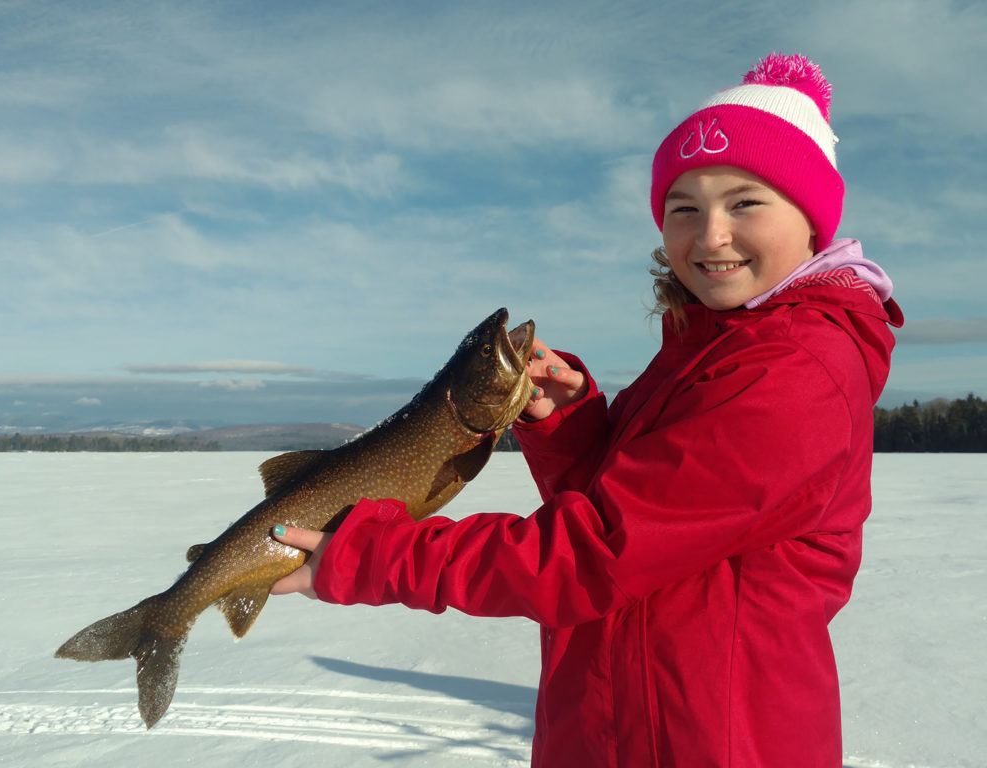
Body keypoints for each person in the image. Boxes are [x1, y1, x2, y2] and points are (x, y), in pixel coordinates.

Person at [270, 53, 903, 767]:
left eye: (745, 202)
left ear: (813, 219)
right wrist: (570, 423)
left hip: (711, 742)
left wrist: (374, 556)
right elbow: (645, 513)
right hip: (619, 721)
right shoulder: (709, 347)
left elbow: (595, 551)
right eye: (683, 208)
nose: (711, 235)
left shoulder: (794, 372)